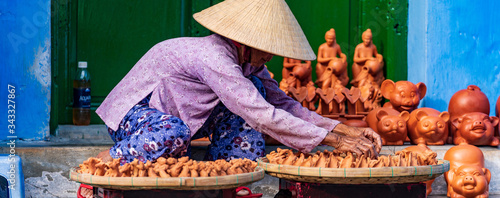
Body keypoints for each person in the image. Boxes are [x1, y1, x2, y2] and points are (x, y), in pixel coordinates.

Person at [95, 0, 381, 166]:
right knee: (175, 132)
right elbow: (262, 114)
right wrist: (334, 142)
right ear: (245, 43)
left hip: (175, 115)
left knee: (256, 92)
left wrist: (346, 131)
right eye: (266, 48)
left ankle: (226, 175)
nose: (270, 56)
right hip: (135, 116)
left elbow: (283, 104)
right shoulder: (214, 57)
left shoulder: (250, 64)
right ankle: (106, 162)